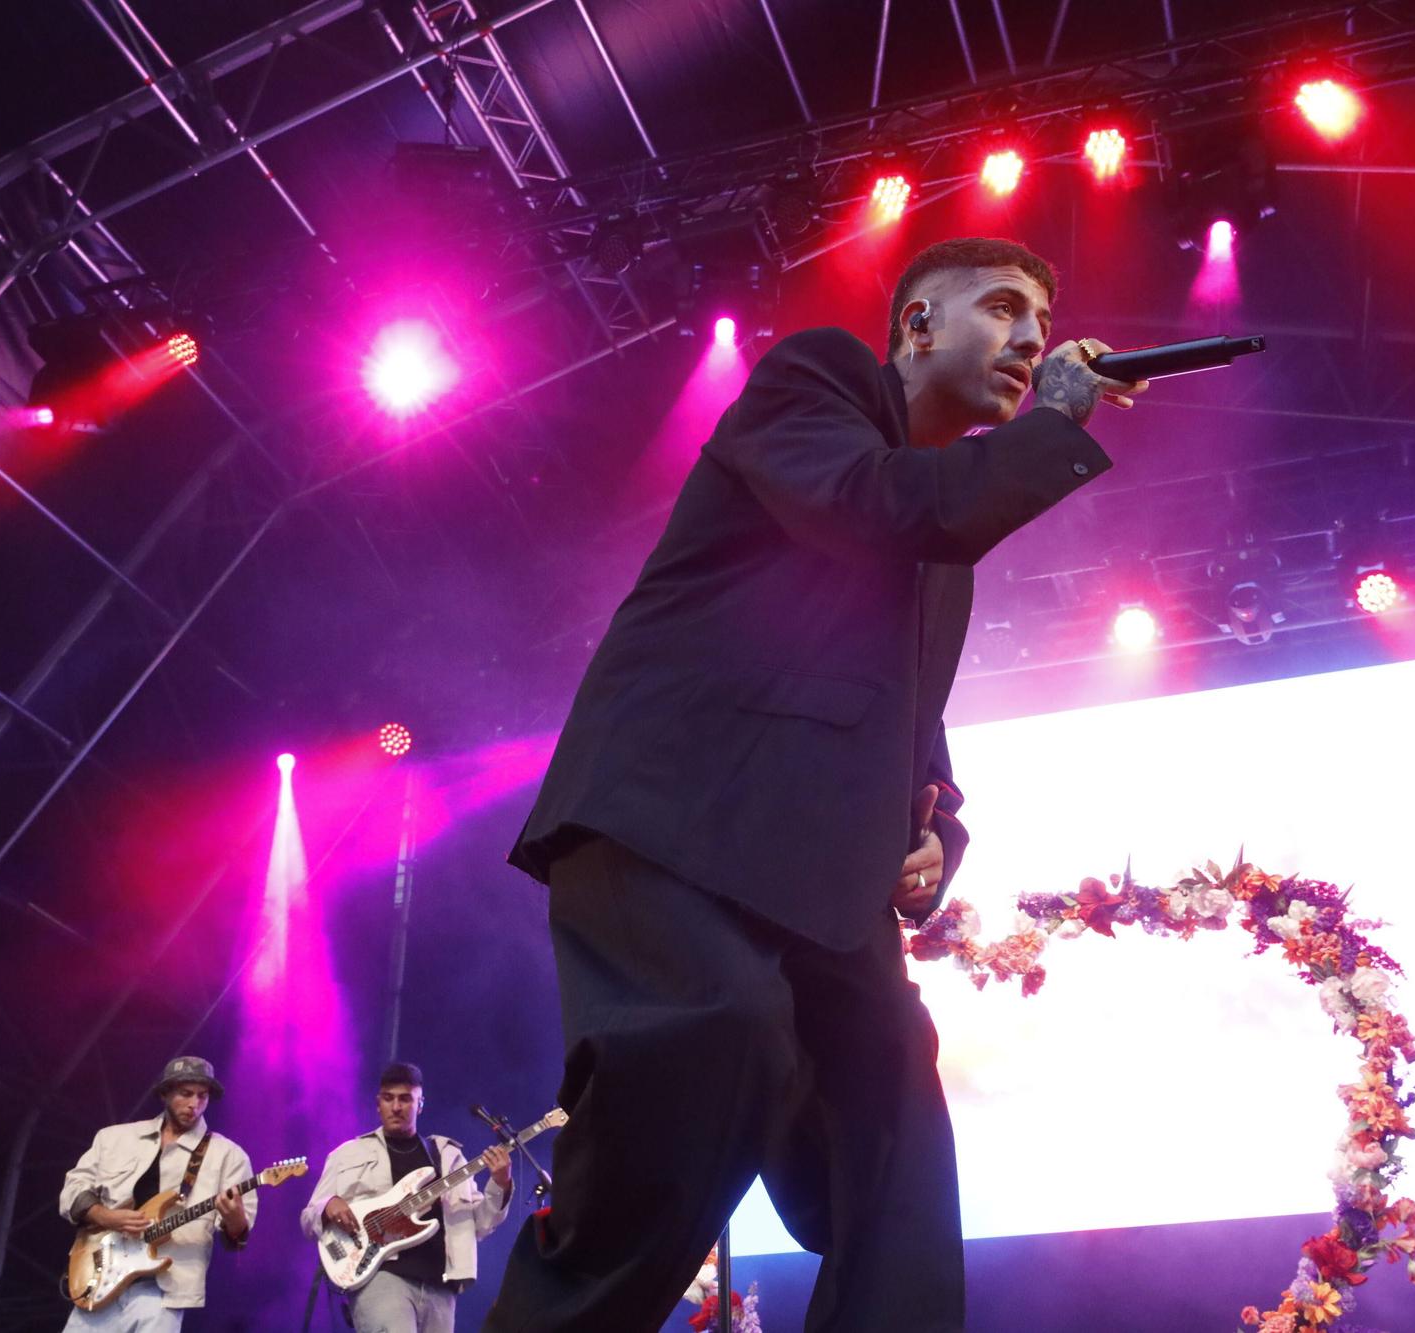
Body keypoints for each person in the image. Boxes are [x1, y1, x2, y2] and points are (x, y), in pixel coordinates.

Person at [485, 236, 1142, 1332]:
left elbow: (909, 732)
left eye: (1039, 320)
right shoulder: (818, 380)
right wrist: (1050, 428)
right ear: (917, 326)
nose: (1029, 338)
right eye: (1001, 308)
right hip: (677, 823)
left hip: (819, 884)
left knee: (891, 1126)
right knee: (713, 1042)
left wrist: (940, 837)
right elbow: (875, 504)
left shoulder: (943, 549)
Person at [301, 1061, 514, 1332]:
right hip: (382, 1277)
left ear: (420, 1104)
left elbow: (481, 1225)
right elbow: (309, 1218)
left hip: (441, 1284)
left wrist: (500, 1183)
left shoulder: (448, 1157)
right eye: (388, 1098)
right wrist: (329, 1204)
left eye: (405, 1099)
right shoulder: (348, 1154)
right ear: (378, 1103)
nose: (397, 1107)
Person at [58, 1056, 256, 1332]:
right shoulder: (114, 1138)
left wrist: (235, 1219)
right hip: (98, 1278)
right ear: (164, 1093)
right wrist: (107, 1217)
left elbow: (236, 1237)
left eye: (202, 1096)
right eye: (185, 1094)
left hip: (165, 1293)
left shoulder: (229, 1156)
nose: (194, 1104)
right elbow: (73, 1191)